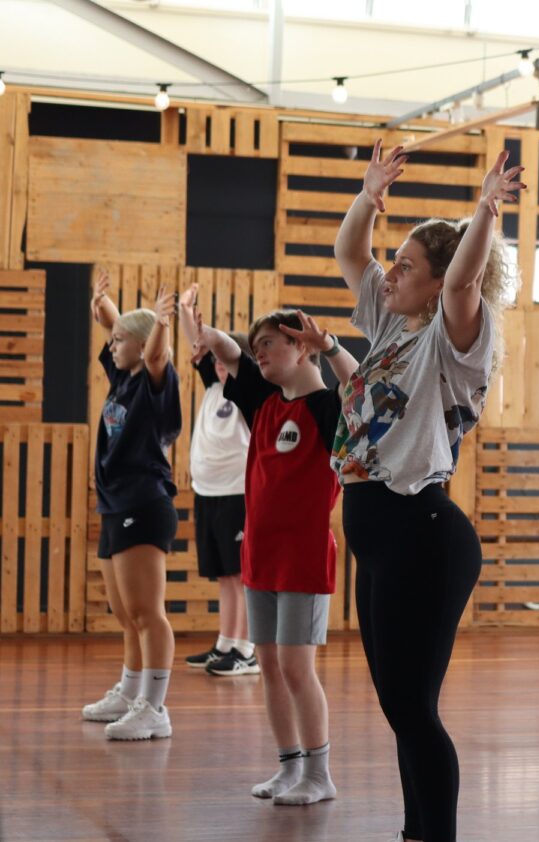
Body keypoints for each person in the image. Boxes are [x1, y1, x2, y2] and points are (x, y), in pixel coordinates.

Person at [332, 140, 523, 842]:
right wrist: (368, 194)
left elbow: (466, 282)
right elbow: (351, 253)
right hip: (376, 532)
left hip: (424, 535)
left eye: (406, 266)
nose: (391, 274)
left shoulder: (454, 337)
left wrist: (484, 209)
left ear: (435, 281)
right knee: (398, 706)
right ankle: (416, 832)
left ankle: (434, 834)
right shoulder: (388, 325)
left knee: (413, 706)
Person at [190, 292, 357, 805]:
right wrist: (208, 336)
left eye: (270, 344)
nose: (257, 353)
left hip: (304, 557)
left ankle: (319, 773)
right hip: (259, 556)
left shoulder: (329, 407)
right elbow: (227, 350)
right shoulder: (262, 402)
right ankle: (288, 766)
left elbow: (357, 383)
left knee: (295, 667)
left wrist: (328, 344)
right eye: (256, 345)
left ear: (300, 346)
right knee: (269, 665)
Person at [81, 273, 183, 741]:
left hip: (143, 502)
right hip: (114, 502)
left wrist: (161, 322)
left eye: (122, 340)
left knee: (147, 612)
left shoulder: (154, 381)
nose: (112, 342)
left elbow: (157, 352)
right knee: (125, 613)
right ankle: (129, 690)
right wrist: (101, 301)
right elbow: (114, 323)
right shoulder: (122, 378)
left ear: (141, 346)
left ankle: (154, 707)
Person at [178, 294, 256, 677]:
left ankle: (247, 648)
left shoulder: (245, 394)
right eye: (217, 363)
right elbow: (198, 341)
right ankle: (226, 642)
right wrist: (184, 312)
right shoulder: (212, 387)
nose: (220, 367)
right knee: (225, 574)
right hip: (208, 492)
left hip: (237, 493)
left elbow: (224, 351)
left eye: (227, 362)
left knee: (241, 575)